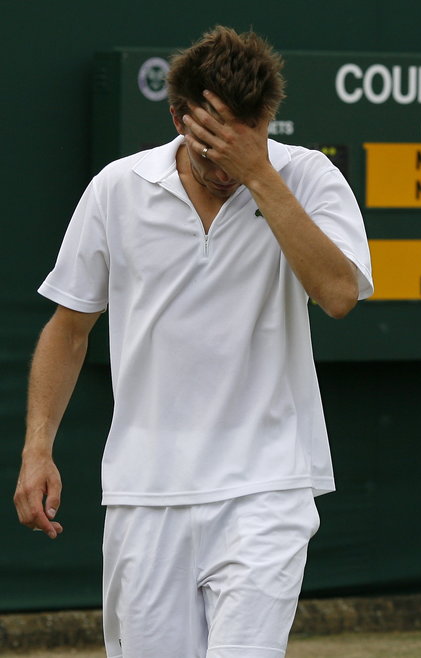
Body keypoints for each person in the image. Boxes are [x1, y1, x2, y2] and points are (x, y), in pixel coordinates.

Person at [13, 26, 372, 656]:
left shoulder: (306, 177)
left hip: (267, 488)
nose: (225, 164)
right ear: (178, 116)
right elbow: (68, 331)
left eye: (246, 136)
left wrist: (260, 174)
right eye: (211, 146)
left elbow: (340, 294)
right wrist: (37, 449)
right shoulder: (116, 189)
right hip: (143, 495)